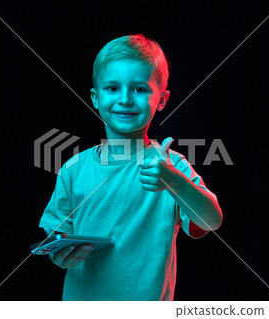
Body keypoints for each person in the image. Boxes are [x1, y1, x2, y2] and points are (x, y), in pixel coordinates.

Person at [39, 34, 223, 301]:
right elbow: (55, 237)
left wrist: (175, 182)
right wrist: (60, 255)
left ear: (161, 100)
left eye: (139, 89)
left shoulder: (170, 168)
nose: (125, 99)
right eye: (112, 88)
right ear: (95, 98)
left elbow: (211, 220)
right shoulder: (73, 169)